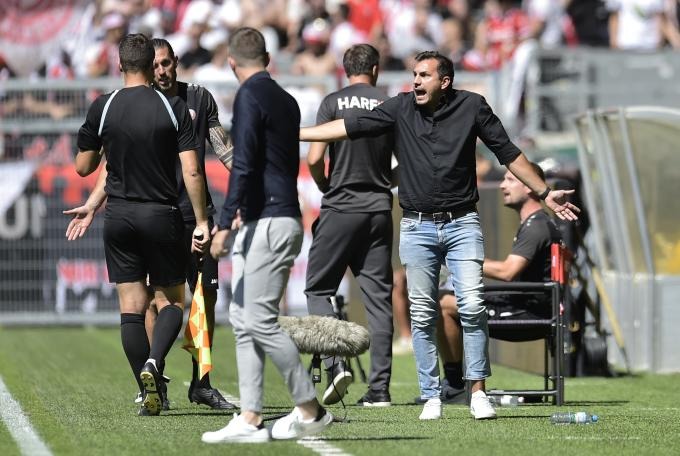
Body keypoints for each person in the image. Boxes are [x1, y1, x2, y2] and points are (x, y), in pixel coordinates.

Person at [299, 50, 579, 421]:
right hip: (416, 226)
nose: (415, 81)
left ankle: (477, 391)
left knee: (472, 304)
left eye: (424, 75)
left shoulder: (473, 107)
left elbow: (509, 153)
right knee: (422, 311)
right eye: (414, 74)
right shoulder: (399, 107)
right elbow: (348, 126)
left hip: (463, 223)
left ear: (444, 82)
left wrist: (543, 193)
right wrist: (296, 134)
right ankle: (431, 394)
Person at [64, 38, 235, 411]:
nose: (162, 71)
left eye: (167, 64)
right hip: (164, 214)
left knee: (200, 297)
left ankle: (196, 382)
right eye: (155, 65)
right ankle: (156, 377)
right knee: (158, 303)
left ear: (176, 62)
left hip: (178, 216)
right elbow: (116, 162)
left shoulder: (194, 100)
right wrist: (93, 203)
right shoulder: (158, 107)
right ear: (147, 66)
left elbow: (225, 152)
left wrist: (242, 191)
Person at [203, 27, 332, 444]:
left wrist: (223, 223)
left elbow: (241, 166)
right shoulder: (286, 98)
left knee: (256, 319)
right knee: (242, 318)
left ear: (231, 62)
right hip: (273, 217)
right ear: (269, 59)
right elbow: (259, 163)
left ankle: (309, 408)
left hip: (269, 221)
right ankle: (251, 417)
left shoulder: (248, 96)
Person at [418, 162, 562, 406]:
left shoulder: (537, 226)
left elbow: (507, 272)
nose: (503, 185)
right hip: (524, 304)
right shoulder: (534, 223)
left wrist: (459, 258)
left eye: (510, 180)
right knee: (448, 295)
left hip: (529, 314)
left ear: (529, 187)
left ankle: (454, 385)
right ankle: (455, 384)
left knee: (443, 303)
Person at [304, 43, 395, 407]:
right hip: (378, 209)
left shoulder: (333, 102)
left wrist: (326, 184)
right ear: (375, 70)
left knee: (317, 289)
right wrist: (384, 182)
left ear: (346, 70)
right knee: (379, 301)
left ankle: (336, 363)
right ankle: (379, 390)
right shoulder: (390, 104)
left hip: (341, 206)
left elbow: (314, 158)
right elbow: (404, 161)